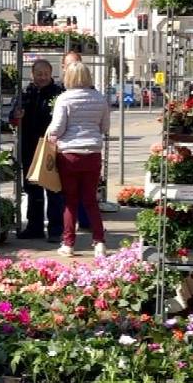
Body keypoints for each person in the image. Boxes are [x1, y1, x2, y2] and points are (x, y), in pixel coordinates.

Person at [47, 62, 111, 258]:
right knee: (91, 200)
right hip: (92, 153)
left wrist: (51, 134)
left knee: (70, 201)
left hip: (69, 155)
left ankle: (68, 243)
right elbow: (105, 127)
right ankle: (99, 242)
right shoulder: (100, 98)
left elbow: (57, 128)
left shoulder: (64, 99)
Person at [10, 59, 66, 242]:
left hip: (51, 146)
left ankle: (56, 229)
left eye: (45, 74)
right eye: (38, 74)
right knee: (32, 189)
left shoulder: (59, 94)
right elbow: (12, 117)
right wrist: (16, 116)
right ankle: (35, 227)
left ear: (51, 74)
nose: (42, 77)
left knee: (53, 188)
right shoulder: (25, 92)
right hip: (29, 146)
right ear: (32, 74)